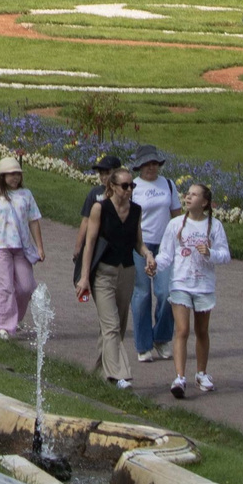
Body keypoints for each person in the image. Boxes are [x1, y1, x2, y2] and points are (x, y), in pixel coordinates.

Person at [155, 182, 230, 399]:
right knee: (182, 330)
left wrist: (210, 253)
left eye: (194, 195)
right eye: (187, 194)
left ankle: (201, 373)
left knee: (202, 331)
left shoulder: (214, 226)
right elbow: (166, 254)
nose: (188, 198)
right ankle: (179, 377)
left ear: (205, 202)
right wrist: (154, 266)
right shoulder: (176, 224)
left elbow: (225, 255)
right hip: (180, 282)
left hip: (204, 285)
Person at [76, 165, 143, 388]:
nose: (129, 190)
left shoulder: (136, 210)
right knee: (111, 325)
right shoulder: (100, 208)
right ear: (112, 187)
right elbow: (90, 244)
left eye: (131, 185)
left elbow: (138, 243)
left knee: (118, 327)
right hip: (103, 272)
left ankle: (98, 373)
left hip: (127, 271)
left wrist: (149, 256)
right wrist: (85, 277)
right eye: (124, 186)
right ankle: (119, 375)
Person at [0, 156, 46, 340]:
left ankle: (15, 318)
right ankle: (3, 326)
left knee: (26, 286)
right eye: (10, 175)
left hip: (21, 248)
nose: (14, 178)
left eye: (17, 174)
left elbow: (34, 221)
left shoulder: (26, 195)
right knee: (5, 287)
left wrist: (40, 246)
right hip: (0, 247)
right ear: (2, 177)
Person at [129, 151, 178, 363]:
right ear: (139, 166)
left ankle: (161, 336)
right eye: (147, 164)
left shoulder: (168, 184)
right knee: (142, 294)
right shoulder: (132, 187)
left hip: (166, 245)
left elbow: (177, 214)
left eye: (155, 163)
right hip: (140, 244)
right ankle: (143, 344)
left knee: (167, 292)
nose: (151, 167)